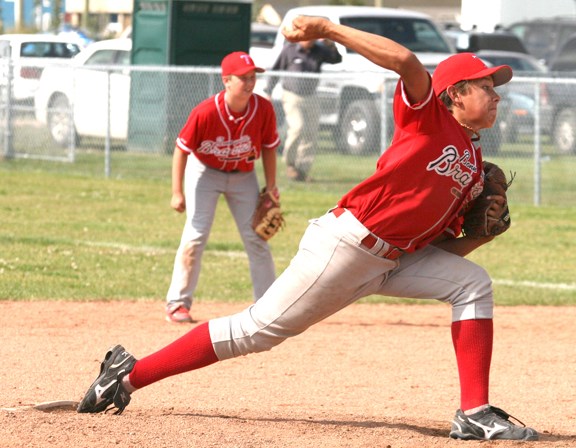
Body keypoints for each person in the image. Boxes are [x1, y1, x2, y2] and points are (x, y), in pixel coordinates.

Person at [77, 16, 538, 441]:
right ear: (454, 93)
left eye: (495, 87)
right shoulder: (427, 117)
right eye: (485, 84)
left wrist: (481, 235)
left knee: (473, 285)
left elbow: (438, 249)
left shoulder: (475, 164)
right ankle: (129, 373)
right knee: (255, 331)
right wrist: (327, 28)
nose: (496, 94)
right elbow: (404, 61)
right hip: (346, 246)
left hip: (392, 260)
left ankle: (473, 413)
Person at [164, 51, 281, 323]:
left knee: (257, 237)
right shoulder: (205, 112)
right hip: (205, 173)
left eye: (252, 77)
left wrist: (272, 186)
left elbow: (269, 148)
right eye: (243, 78)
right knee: (196, 235)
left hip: (243, 177)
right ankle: (177, 303)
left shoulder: (263, 109)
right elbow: (181, 151)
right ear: (226, 81)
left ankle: (269, 306)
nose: (250, 82)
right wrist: (176, 191)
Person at [264, 38, 341, 182]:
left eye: (313, 37)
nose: (310, 40)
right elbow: (275, 70)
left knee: (311, 132)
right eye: (308, 36)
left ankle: (302, 170)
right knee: (298, 127)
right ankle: (290, 164)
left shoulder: (319, 50)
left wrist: (330, 42)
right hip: (292, 95)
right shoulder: (289, 50)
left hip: (311, 96)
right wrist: (268, 91)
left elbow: (336, 59)